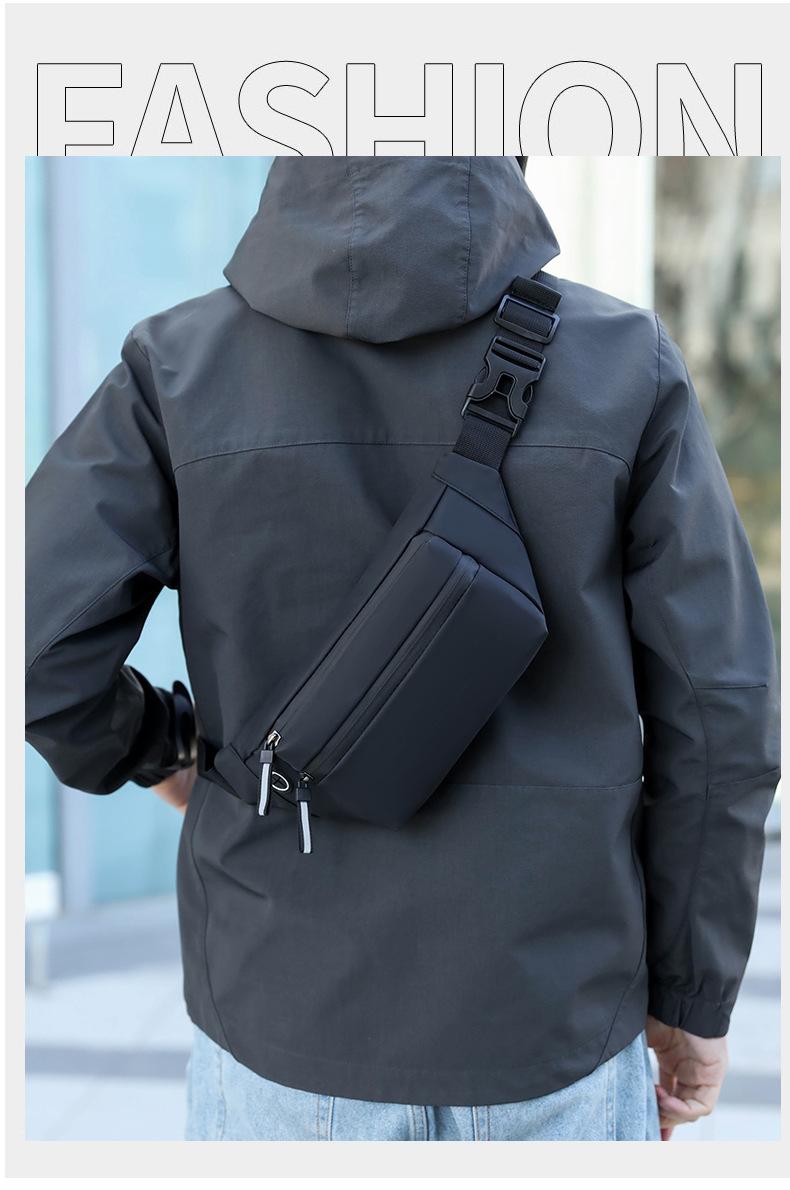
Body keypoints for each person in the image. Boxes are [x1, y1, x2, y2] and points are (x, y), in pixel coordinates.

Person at [25, 156, 779, 1142]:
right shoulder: (621, 363)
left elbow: (35, 648)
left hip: (281, 1016)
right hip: (550, 1015)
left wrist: (164, 745)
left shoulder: (177, 365)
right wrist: (692, 994)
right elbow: (721, 711)